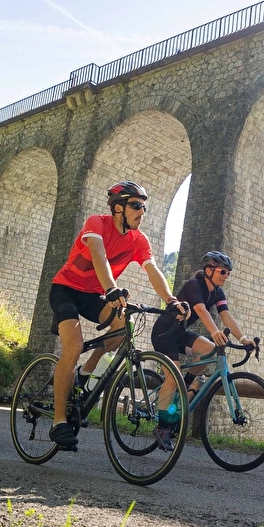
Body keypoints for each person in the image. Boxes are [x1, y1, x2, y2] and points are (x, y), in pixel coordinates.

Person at [47, 181, 184, 450]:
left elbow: (153, 270)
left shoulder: (139, 239)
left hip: (93, 295)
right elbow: (99, 257)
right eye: (136, 206)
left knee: (124, 325)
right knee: (73, 346)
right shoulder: (97, 223)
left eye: (144, 207)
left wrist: (171, 300)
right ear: (118, 208)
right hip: (66, 290)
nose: (141, 211)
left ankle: (86, 374)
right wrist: (111, 289)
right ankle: (59, 420)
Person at [149, 250, 257, 449]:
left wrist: (243, 338)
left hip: (180, 332)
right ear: (209, 270)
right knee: (173, 377)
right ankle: (162, 427)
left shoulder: (217, 292)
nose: (226, 276)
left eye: (228, 273)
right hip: (164, 332)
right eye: (222, 272)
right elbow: (200, 310)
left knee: (209, 349)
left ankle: (186, 383)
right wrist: (214, 331)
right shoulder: (194, 285)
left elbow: (226, 316)